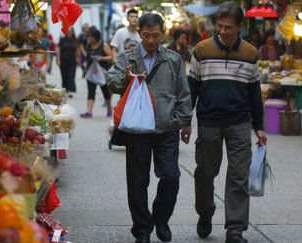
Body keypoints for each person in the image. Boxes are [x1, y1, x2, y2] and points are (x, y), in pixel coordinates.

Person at [106, 13, 192, 243]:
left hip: (167, 127)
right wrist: (126, 79)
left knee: (171, 176)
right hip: (137, 130)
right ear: (139, 34)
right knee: (137, 181)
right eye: (146, 35)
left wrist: (185, 121)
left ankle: (161, 218)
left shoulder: (173, 59)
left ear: (162, 33)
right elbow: (111, 81)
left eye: (155, 35)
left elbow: (183, 92)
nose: (151, 41)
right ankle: (142, 229)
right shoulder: (129, 58)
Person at [187, 2, 267, 243]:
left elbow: (254, 94)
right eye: (220, 26)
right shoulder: (202, 50)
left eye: (228, 27)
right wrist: (185, 121)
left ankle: (235, 228)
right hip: (209, 121)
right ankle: (205, 211)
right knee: (205, 173)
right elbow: (192, 89)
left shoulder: (251, 54)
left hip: (239, 122)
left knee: (239, 176)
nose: (223, 31)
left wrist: (259, 126)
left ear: (240, 27)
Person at [80, 27, 113, 118]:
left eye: (91, 37)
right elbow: (87, 56)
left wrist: (101, 58)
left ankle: (109, 109)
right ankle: (89, 112)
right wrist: (85, 63)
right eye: (88, 36)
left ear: (96, 37)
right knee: (91, 91)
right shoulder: (88, 45)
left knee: (105, 92)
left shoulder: (104, 45)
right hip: (91, 73)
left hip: (102, 73)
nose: (89, 39)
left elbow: (111, 57)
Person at [56, 27, 79, 96]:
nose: (69, 32)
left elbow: (77, 50)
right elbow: (58, 50)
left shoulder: (75, 40)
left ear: (72, 32)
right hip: (63, 61)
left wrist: (78, 58)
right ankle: (65, 90)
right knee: (64, 76)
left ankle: (70, 90)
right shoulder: (62, 40)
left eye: (70, 31)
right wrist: (58, 59)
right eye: (68, 31)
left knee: (71, 75)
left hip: (72, 61)